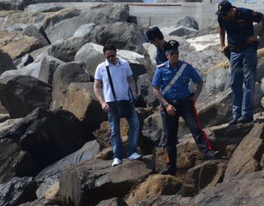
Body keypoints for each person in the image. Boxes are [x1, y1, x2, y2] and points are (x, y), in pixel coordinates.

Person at [151, 40, 219, 175]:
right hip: (169, 105)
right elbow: (155, 89)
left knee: (196, 129)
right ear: (166, 55)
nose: (175, 55)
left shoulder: (186, 67)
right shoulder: (161, 69)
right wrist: (166, 104)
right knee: (170, 137)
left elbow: (199, 81)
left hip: (185, 102)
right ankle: (171, 166)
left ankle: (208, 152)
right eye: (172, 53)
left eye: (176, 52)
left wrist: (195, 97)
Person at [217, 0, 264, 124]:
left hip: (248, 50)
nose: (223, 16)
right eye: (222, 14)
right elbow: (221, 28)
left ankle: (247, 114)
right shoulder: (221, 16)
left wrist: (258, 37)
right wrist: (222, 44)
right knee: (235, 83)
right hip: (234, 52)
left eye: (225, 14)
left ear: (231, 10)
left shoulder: (245, 13)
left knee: (249, 81)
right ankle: (236, 115)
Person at [93, 43, 142, 166]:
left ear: (116, 53)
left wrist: (134, 92)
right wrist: (102, 102)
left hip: (126, 100)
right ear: (104, 56)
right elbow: (97, 86)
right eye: (108, 57)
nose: (110, 58)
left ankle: (131, 152)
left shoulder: (124, 64)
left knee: (135, 124)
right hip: (111, 102)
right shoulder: (101, 67)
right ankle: (117, 156)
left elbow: (130, 80)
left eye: (112, 55)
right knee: (115, 130)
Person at [146, 26, 169, 147]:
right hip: (162, 86)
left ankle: (168, 137)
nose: (152, 43)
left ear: (156, 38)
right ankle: (166, 137)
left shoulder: (168, 48)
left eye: (151, 41)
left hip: (169, 86)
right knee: (164, 112)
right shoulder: (159, 49)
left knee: (167, 112)